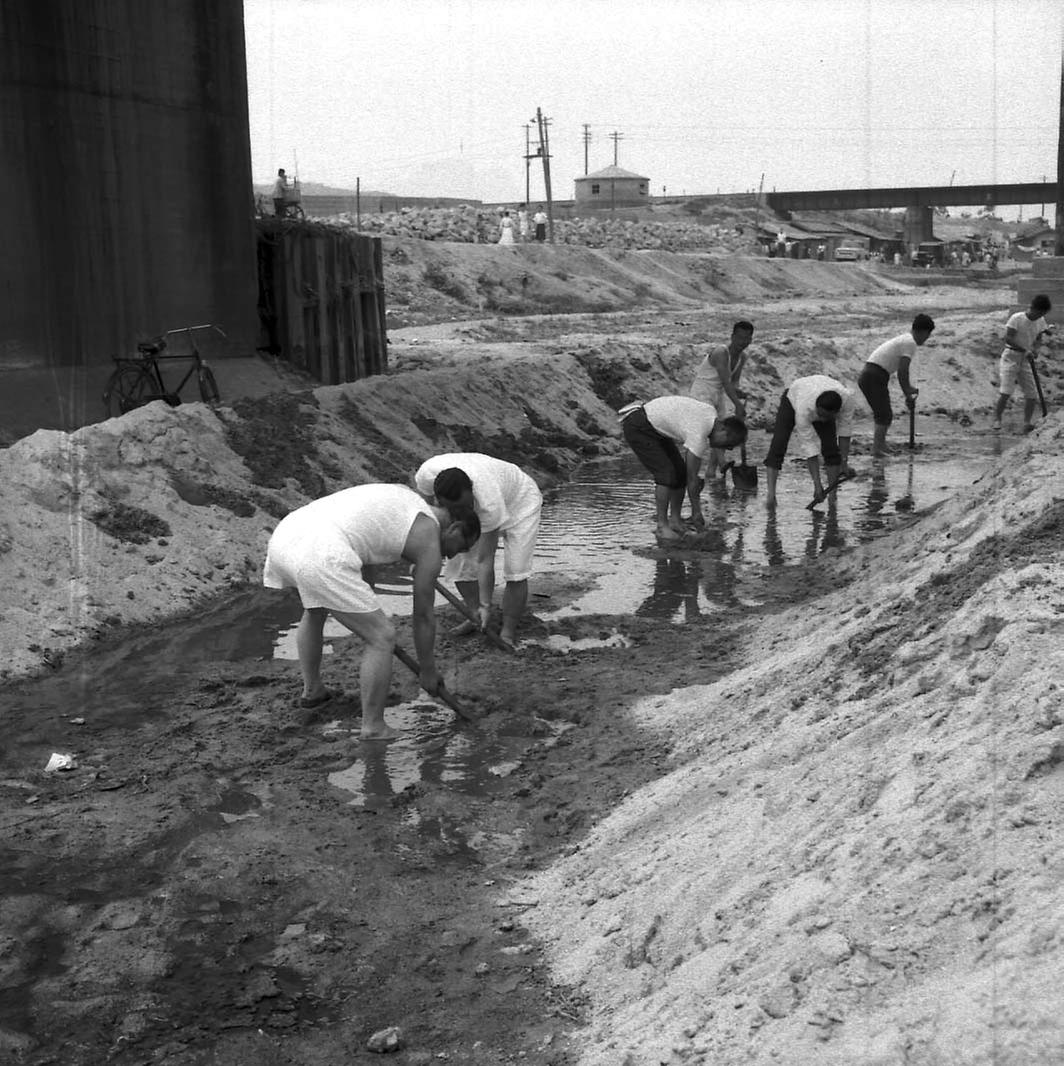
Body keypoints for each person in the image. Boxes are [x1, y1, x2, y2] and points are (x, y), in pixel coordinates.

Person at [263, 483, 480, 740]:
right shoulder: (430, 537)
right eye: (462, 547)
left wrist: (364, 606)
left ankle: (313, 691)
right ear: (454, 528)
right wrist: (428, 669)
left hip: (287, 537)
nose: (455, 555)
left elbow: (364, 550)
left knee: (316, 609)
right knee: (382, 637)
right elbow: (423, 616)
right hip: (322, 551)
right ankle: (374, 727)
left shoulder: (405, 499)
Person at [414, 453, 543, 650]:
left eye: (465, 505)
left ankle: (507, 631)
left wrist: (486, 603)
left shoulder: (488, 502)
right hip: (488, 495)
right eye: (454, 508)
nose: (461, 511)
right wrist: (420, 556)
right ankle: (475, 616)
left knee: (516, 569)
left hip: (520, 500)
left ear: (471, 491)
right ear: (440, 499)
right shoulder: (426, 475)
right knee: (459, 560)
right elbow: (426, 518)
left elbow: (485, 559)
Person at [619, 395, 747, 542]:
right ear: (723, 429)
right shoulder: (700, 434)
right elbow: (692, 479)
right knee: (666, 474)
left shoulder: (711, 414)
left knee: (679, 472)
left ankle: (675, 520)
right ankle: (662, 527)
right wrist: (697, 511)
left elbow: (687, 475)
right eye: (729, 443)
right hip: (639, 426)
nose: (728, 448)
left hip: (656, 428)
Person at [763, 375, 856, 508]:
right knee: (779, 443)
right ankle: (771, 496)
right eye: (820, 415)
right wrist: (817, 485)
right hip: (794, 395)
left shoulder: (847, 401)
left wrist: (844, 463)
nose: (822, 419)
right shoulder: (803, 409)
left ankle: (833, 497)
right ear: (816, 408)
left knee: (831, 449)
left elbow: (844, 432)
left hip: (823, 396)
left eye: (826, 417)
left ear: (836, 412)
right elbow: (810, 448)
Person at [857, 313, 935, 457]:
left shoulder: (905, 339)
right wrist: (907, 391)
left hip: (874, 375)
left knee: (884, 413)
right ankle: (877, 449)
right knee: (884, 414)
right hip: (874, 375)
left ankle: (881, 445)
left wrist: (907, 393)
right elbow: (902, 371)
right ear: (923, 332)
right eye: (927, 336)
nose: (926, 340)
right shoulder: (910, 342)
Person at [689, 320, 754, 477]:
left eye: (746, 339)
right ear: (732, 337)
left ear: (751, 340)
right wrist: (738, 405)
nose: (742, 343)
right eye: (739, 338)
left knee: (724, 432)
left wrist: (741, 395)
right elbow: (725, 382)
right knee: (713, 427)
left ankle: (711, 471)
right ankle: (721, 463)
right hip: (702, 392)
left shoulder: (743, 357)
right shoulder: (721, 352)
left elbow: (733, 384)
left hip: (718, 394)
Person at [992, 294, 1053, 433]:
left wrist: (1035, 349)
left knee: (1031, 393)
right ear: (1033, 308)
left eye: (1043, 314)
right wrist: (1025, 349)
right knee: (1006, 391)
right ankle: (997, 419)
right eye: (1039, 312)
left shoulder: (1041, 321)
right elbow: (1008, 338)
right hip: (1011, 356)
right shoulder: (1017, 318)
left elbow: (1039, 337)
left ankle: (1027, 423)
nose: (1040, 316)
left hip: (1026, 359)